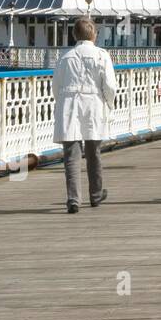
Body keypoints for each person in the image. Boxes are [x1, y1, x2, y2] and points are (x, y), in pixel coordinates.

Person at [52, 16, 117, 214]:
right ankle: (95, 195)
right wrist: (109, 103)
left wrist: (61, 102)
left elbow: (56, 85)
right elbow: (109, 86)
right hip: (93, 105)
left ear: (74, 35)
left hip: (69, 105)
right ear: (94, 35)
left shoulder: (65, 56)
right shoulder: (101, 55)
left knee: (71, 155)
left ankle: (73, 199)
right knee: (93, 153)